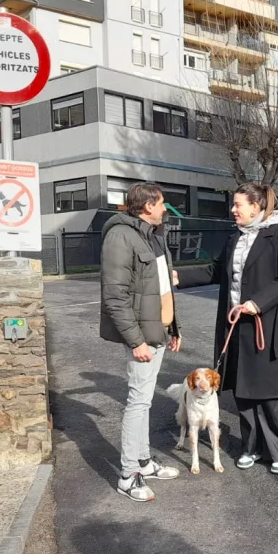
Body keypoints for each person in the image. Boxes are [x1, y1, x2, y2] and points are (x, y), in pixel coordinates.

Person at [175, 183, 278, 474]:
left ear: (256, 207)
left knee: (269, 392)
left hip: (267, 325)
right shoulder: (235, 238)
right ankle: (250, 447)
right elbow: (216, 271)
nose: (233, 210)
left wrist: (258, 302)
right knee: (243, 390)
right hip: (235, 326)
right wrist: (179, 276)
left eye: (238, 205)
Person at [99, 182, 182, 502]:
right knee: (137, 402)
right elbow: (115, 297)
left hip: (157, 332)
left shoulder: (153, 235)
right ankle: (128, 474)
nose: (165, 209)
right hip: (142, 337)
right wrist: (136, 341)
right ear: (147, 206)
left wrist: (173, 328)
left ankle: (143, 462)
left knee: (144, 401)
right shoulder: (121, 237)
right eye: (161, 203)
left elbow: (161, 288)